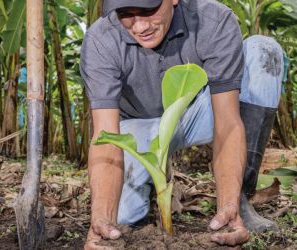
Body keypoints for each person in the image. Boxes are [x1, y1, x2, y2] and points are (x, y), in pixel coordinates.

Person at [80, 0, 284, 248]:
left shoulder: (213, 20)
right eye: (126, 14)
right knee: (120, 216)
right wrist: (102, 217)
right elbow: (106, 136)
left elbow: (228, 122)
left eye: (148, 10)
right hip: (137, 130)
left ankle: (238, 201)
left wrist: (228, 202)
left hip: (198, 113)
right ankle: (148, 195)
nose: (141, 25)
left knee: (263, 51)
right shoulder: (102, 38)